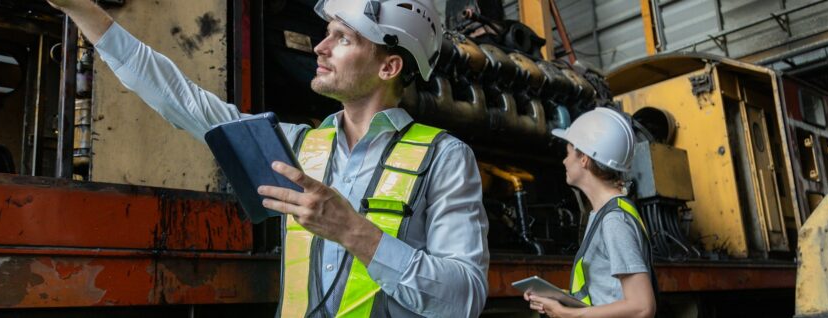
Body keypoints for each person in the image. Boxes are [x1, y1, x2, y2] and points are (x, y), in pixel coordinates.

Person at [45, 0, 489, 317]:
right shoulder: (295, 147)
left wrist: (352, 231)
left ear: (388, 67)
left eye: (343, 38)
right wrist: (82, 9)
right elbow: (182, 100)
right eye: (327, 33)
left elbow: (464, 299)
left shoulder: (444, 158)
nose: (320, 47)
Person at [525, 107, 655, 318]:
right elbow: (606, 294)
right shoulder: (604, 214)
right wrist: (558, 299)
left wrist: (566, 314)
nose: (564, 161)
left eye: (568, 153)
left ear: (584, 159)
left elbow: (642, 307)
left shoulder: (614, 220)